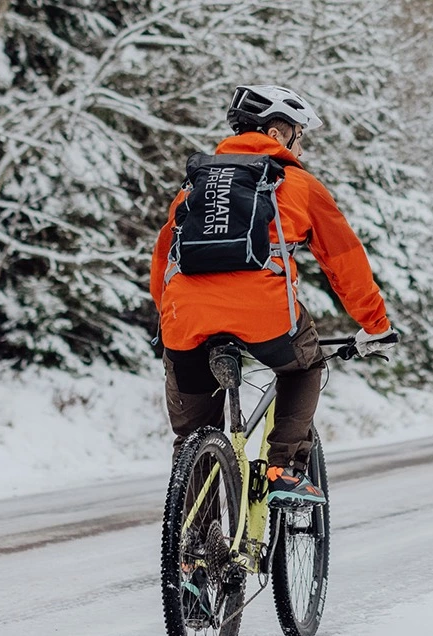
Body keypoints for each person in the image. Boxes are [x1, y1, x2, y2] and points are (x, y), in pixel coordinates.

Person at [150, 85, 398, 507]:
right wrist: (375, 325)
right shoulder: (299, 184)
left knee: (192, 438)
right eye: (299, 136)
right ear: (277, 133)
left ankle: (194, 541)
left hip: (184, 319)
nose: (301, 148)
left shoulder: (194, 186)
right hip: (264, 317)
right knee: (305, 365)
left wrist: (170, 317)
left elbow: (163, 258)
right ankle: (284, 467)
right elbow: (344, 262)